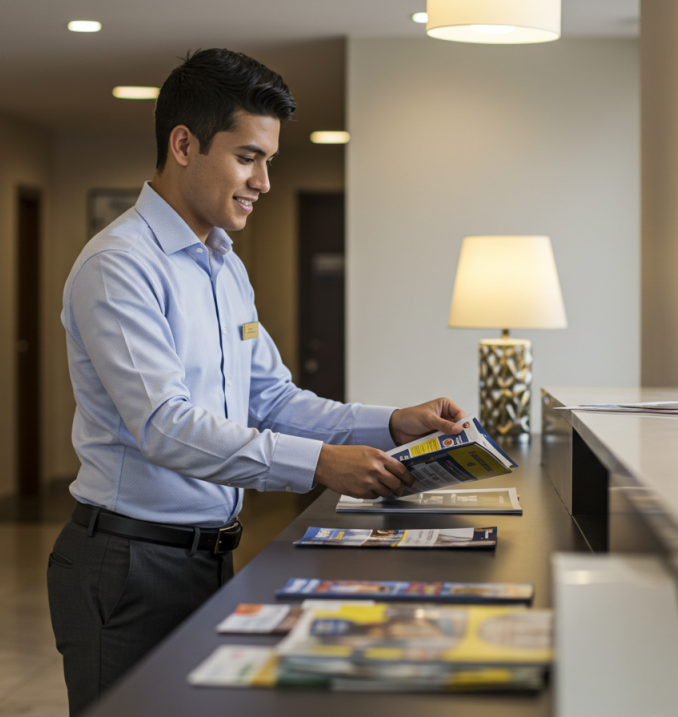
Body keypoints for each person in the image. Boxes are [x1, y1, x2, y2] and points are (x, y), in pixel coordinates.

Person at [47, 48, 466, 715]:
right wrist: (322, 464)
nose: (264, 181)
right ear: (184, 144)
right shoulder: (119, 267)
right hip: (129, 565)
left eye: (268, 160)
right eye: (248, 157)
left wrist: (391, 423)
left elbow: (270, 398)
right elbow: (165, 425)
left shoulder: (223, 265)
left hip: (207, 557)